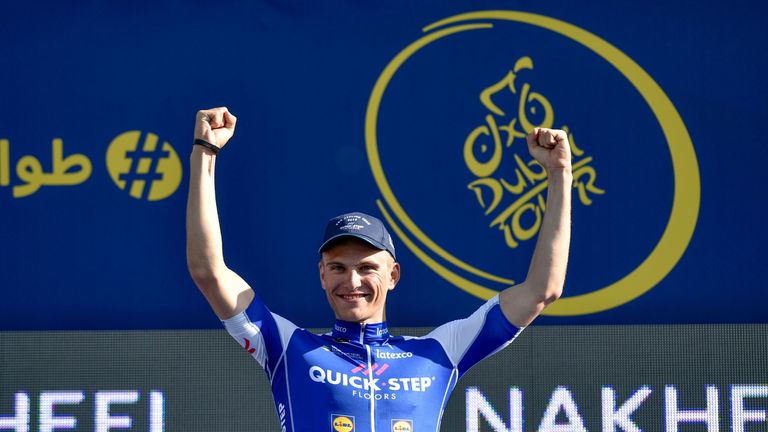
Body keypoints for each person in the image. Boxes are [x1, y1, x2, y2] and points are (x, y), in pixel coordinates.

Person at [186, 107, 571, 432]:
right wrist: (205, 153)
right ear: (322, 275)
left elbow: (543, 290)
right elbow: (209, 272)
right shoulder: (289, 347)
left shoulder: (440, 351)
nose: (351, 281)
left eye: (367, 267)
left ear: (393, 276)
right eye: (337, 267)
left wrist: (559, 174)